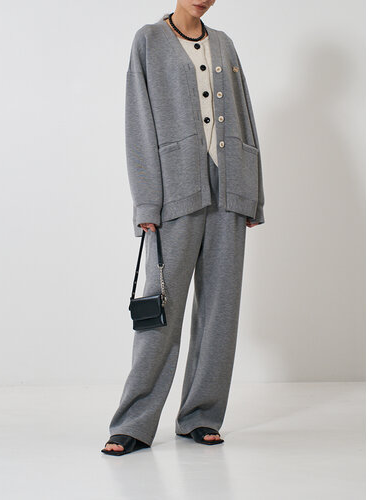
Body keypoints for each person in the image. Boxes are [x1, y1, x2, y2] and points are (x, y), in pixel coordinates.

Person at [101, 0, 265, 456]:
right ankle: (134, 423)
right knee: (162, 309)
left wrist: (253, 193)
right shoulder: (149, 41)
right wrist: (146, 200)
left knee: (220, 311)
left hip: (230, 187)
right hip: (175, 189)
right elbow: (138, 122)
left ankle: (201, 416)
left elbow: (246, 116)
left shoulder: (224, 44)